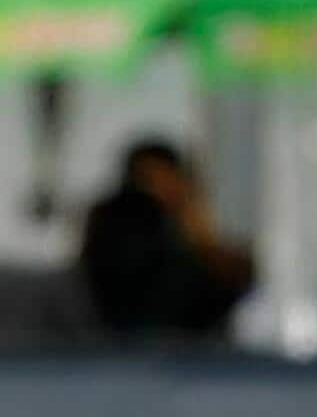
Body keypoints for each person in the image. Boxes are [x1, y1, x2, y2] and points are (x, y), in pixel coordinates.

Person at [77, 139, 254, 343]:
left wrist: (192, 223)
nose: (152, 197)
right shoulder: (114, 224)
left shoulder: (192, 245)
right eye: (144, 182)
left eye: (160, 182)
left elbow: (238, 278)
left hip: (190, 355)